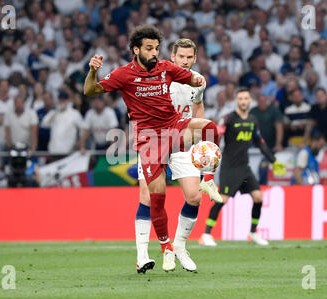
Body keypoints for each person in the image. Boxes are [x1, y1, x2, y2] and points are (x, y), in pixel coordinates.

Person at [83, 25, 219, 273]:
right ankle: (153, 251)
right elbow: (90, 90)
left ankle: (180, 244)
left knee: (196, 188)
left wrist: (197, 79)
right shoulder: (124, 74)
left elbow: (193, 84)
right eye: (149, 48)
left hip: (176, 132)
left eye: (157, 48)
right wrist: (92, 71)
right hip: (149, 140)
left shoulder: (167, 69)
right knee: (152, 198)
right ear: (136, 50)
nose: (155, 53)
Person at [135, 38, 222, 274]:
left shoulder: (197, 81)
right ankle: (142, 255)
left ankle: (180, 247)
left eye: (189, 57)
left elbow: (198, 109)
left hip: (182, 142)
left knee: (195, 197)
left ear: (195, 58)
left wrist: (202, 144)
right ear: (172, 57)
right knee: (147, 196)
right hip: (153, 140)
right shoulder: (157, 75)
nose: (184, 61)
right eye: (180, 56)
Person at [199, 87, 286, 247]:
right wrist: (208, 149)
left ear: (250, 100)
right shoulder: (228, 119)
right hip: (229, 168)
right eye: (240, 99)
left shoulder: (253, 120)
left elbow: (260, 142)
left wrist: (273, 160)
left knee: (258, 197)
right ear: (236, 101)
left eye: (246, 99)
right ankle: (206, 234)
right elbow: (217, 135)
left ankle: (253, 233)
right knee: (222, 199)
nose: (243, 101)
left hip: (244, 168)